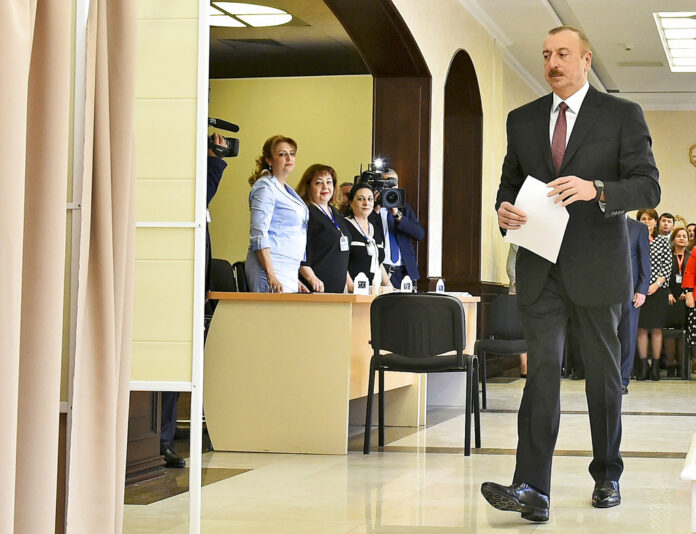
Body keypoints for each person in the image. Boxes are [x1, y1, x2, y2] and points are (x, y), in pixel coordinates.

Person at [481, 26, 660, 522]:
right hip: (540, 267)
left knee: (603, 378)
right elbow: (509, 183)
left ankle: (607, 474)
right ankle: (532, 489)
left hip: (599, 269)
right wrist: (504, 210)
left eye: (563, 54)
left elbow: (648, 187)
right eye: (545, 55)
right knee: (541, 374)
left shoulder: (622, 115)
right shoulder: (523, 119)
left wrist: (597, 188)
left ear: (586, 60)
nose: (552, 63)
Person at [160, 133, 229, 469]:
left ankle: (164, 439)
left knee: (175, 364)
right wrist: (214, 159)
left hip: (189, 287)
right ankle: (160, 440)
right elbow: (203, 191)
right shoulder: (176, 187)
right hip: (169, 287)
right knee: (166, 362)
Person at [244, 135, 309, 293]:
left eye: (292, 154)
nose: (289, 158)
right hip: (270, 265)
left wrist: (295, 279)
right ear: (269, 160)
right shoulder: (265, 187)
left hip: (289, 267)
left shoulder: (286, 189)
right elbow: (259, 233)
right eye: (282, 154)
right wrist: (271, 274)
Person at [296, 164, 350, 293]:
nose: (325, 187)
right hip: (315, 288)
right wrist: (312, 279)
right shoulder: (306, 214)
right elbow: (300, 256)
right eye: (319, 183)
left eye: (329, 182)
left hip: (338, 289)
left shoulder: (335, 212)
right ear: (308, 187)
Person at [373, 168, 425, 288]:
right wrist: (376, 210)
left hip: (405, 270)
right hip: (381, 269)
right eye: (387, 183)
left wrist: (398, 216)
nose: (391, 187)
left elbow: (419, 234)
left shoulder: (404, 207)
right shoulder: (371, 207)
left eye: (394, 183)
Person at [635, 209, 671, 381]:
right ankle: (643, 367)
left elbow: (667, 266)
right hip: (638, 289)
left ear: (656, 222)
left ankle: (655, 367)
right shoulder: (634, 239)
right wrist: (641, 286)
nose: (647, 221)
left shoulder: (663, 241)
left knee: (656, 329)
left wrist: (656, 284)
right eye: (643, 219)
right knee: (641, 329)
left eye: (650, 219)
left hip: (659, 289)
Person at [618, 216, 650, 394]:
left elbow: (645, 260)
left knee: (628, 336)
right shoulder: (602, 224)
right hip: (604, 291)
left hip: (630, 292)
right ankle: (606, 378)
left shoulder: (639, 228)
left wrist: (642, 289)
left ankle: (622, 380)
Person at [345, 183, 392, 292]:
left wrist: (390, 287)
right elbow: (340, 261)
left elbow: (378, 261)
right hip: (353, 291)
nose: (366, 203)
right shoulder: (345, 226)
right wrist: (351, 287)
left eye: (370, 199)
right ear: (351, 202)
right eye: (361, 199)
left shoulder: (375, 228)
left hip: (373, 291)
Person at [664, 227, 691, 375]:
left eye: (684, 236)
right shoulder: (667, 256)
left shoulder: (691, 256)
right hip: (670, 299)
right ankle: (669, 365)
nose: (682, 238)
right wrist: (667, 292)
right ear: (673, 239)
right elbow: (661, 274)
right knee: (670, 331)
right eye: (678, 236)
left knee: (684, 331)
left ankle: (682, 365)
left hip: (687, 299)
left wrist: (687, 292)